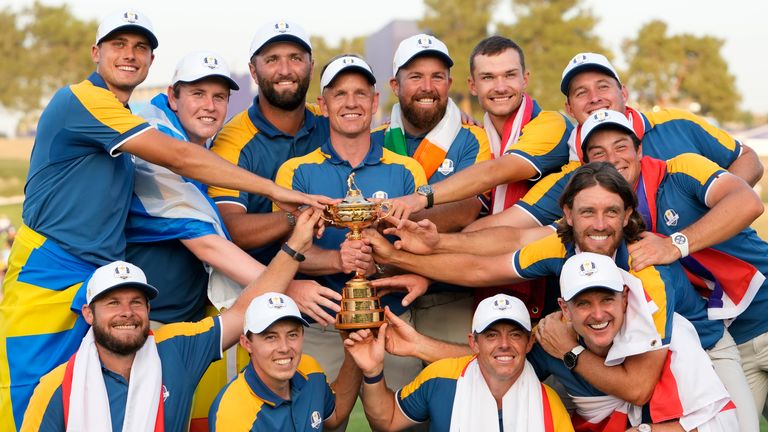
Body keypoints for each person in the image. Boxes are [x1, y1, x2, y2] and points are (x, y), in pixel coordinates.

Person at [0, 11, 326, 431]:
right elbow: (181, 159)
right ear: (95, 52)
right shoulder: (82, 100)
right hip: (48, 272)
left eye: (140, 48)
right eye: (118, 45)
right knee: (29, 407)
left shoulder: (131, 118)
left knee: (86, 405)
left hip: (98, 283)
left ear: (152, 59)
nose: (130, 55)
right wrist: (277, 192)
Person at [364, 161, 756, 428]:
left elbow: (640, 385)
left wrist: (569, 351)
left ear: (627, 215)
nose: (599, 225)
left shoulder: (647, 267)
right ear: (567, 214)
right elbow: (484, 266)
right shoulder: (560, 249)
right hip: (607, 375)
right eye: (587, 212)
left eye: (611, 212)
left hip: (692, 358)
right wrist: (409, 256)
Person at [20, 207, 323, 432]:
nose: (127, 312)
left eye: (136, 302)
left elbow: (245, 311)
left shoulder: (175, 349)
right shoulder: (57, 387)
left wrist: (294, 248)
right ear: (88, 313)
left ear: (149, 311)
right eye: (113, 303)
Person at [274, 54, 427, 396]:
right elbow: (285, 252)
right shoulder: (296, 173)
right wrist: (336, 261)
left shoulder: (406, 170)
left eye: (360, 93)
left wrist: (381, 260)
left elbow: (415, 247)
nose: (351, 103)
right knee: (319, 420)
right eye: (339, 94)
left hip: (392, 320)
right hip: (320, 323)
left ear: (375, 103)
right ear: (323, 105)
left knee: (403, 418)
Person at [503, 51, 762, 231]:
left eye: (603, 86)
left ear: (623, 92)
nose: (594, 98)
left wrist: (708, 214)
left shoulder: (678, 124)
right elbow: (515, 225)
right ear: (569, 108)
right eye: (581, 92)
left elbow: (746, 158)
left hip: (728, 268)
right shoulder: (573, 168)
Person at [364, 33, 491, 346]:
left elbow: (466, 209)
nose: (427, 87)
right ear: (395, 85)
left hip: (450, 293)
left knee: (453, 387)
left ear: (449, 83)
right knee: (392, 392)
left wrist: (390, 220)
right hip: (386, 294)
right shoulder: (373, 142)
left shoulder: (472, 138)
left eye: (437, 77)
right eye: (416, 76)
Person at [532, 252, 738, 431]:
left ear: (624, 299)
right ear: (565, 309)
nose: (597, 314)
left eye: (607, 300)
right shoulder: (551, 337)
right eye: (583, 304)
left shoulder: (665, 335)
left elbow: (721, 423)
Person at [392, 36, 572, 222]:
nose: (500, 87)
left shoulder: (552, 124)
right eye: (488, 77)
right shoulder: (478, 133)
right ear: (473, 85)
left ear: (525, 79)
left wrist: (421, 197)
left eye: (509, 75)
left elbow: (493, 172)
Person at [344, 293, 574, 431]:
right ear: (473, 343)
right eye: (491, 335)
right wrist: (373, 372)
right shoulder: (441, 377)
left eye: (515, 334)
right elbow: (388, 419)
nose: (504, 344)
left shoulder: (548, 404)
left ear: (529, 342)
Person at [208, 292, 360, 431]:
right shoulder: (231, 411)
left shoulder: (309, 369)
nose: (284, 347)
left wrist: (354, 353)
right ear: (247, 343)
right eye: (271, 337)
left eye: (292, 335)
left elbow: (334, 416)